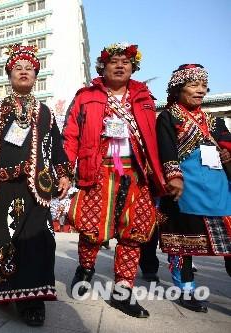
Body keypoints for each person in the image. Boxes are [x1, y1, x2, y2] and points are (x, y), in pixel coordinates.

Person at [0, 44, 72, 326]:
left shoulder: (45, 112)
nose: (23, 73)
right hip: (1, 185)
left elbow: (56, 148)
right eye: (18, 69)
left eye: (29, 69)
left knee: (38, 241)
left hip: (34, 186)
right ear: (9, 74)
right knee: (2, 240)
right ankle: (4, 290)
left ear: (36, 76)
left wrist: (63, 173)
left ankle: (32, 299)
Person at [63, 43, 165, 318]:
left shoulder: (144, 98)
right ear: (103, 67)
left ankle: (123, 290)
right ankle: (85, 269)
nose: (120, 66)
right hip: (97, 170)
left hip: (135, 174)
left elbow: (155, 140)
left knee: (134, 234)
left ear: (134, 68)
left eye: (126, 62)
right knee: (91, 229)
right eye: (114, 62)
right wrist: (63, 171)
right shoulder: (86, 97)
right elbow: (70, 135)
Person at [157, 64, 231, 312]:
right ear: (178, 89)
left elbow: (227, 144)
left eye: (203, 86)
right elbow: (166, 149)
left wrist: (227, 153)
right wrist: (174, 177)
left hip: (218, 188)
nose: (200, 91)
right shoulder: (168, 117)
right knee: (183, 244)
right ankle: (186, 290)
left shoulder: (214, 120)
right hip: (185, 189)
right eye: (193, 85)